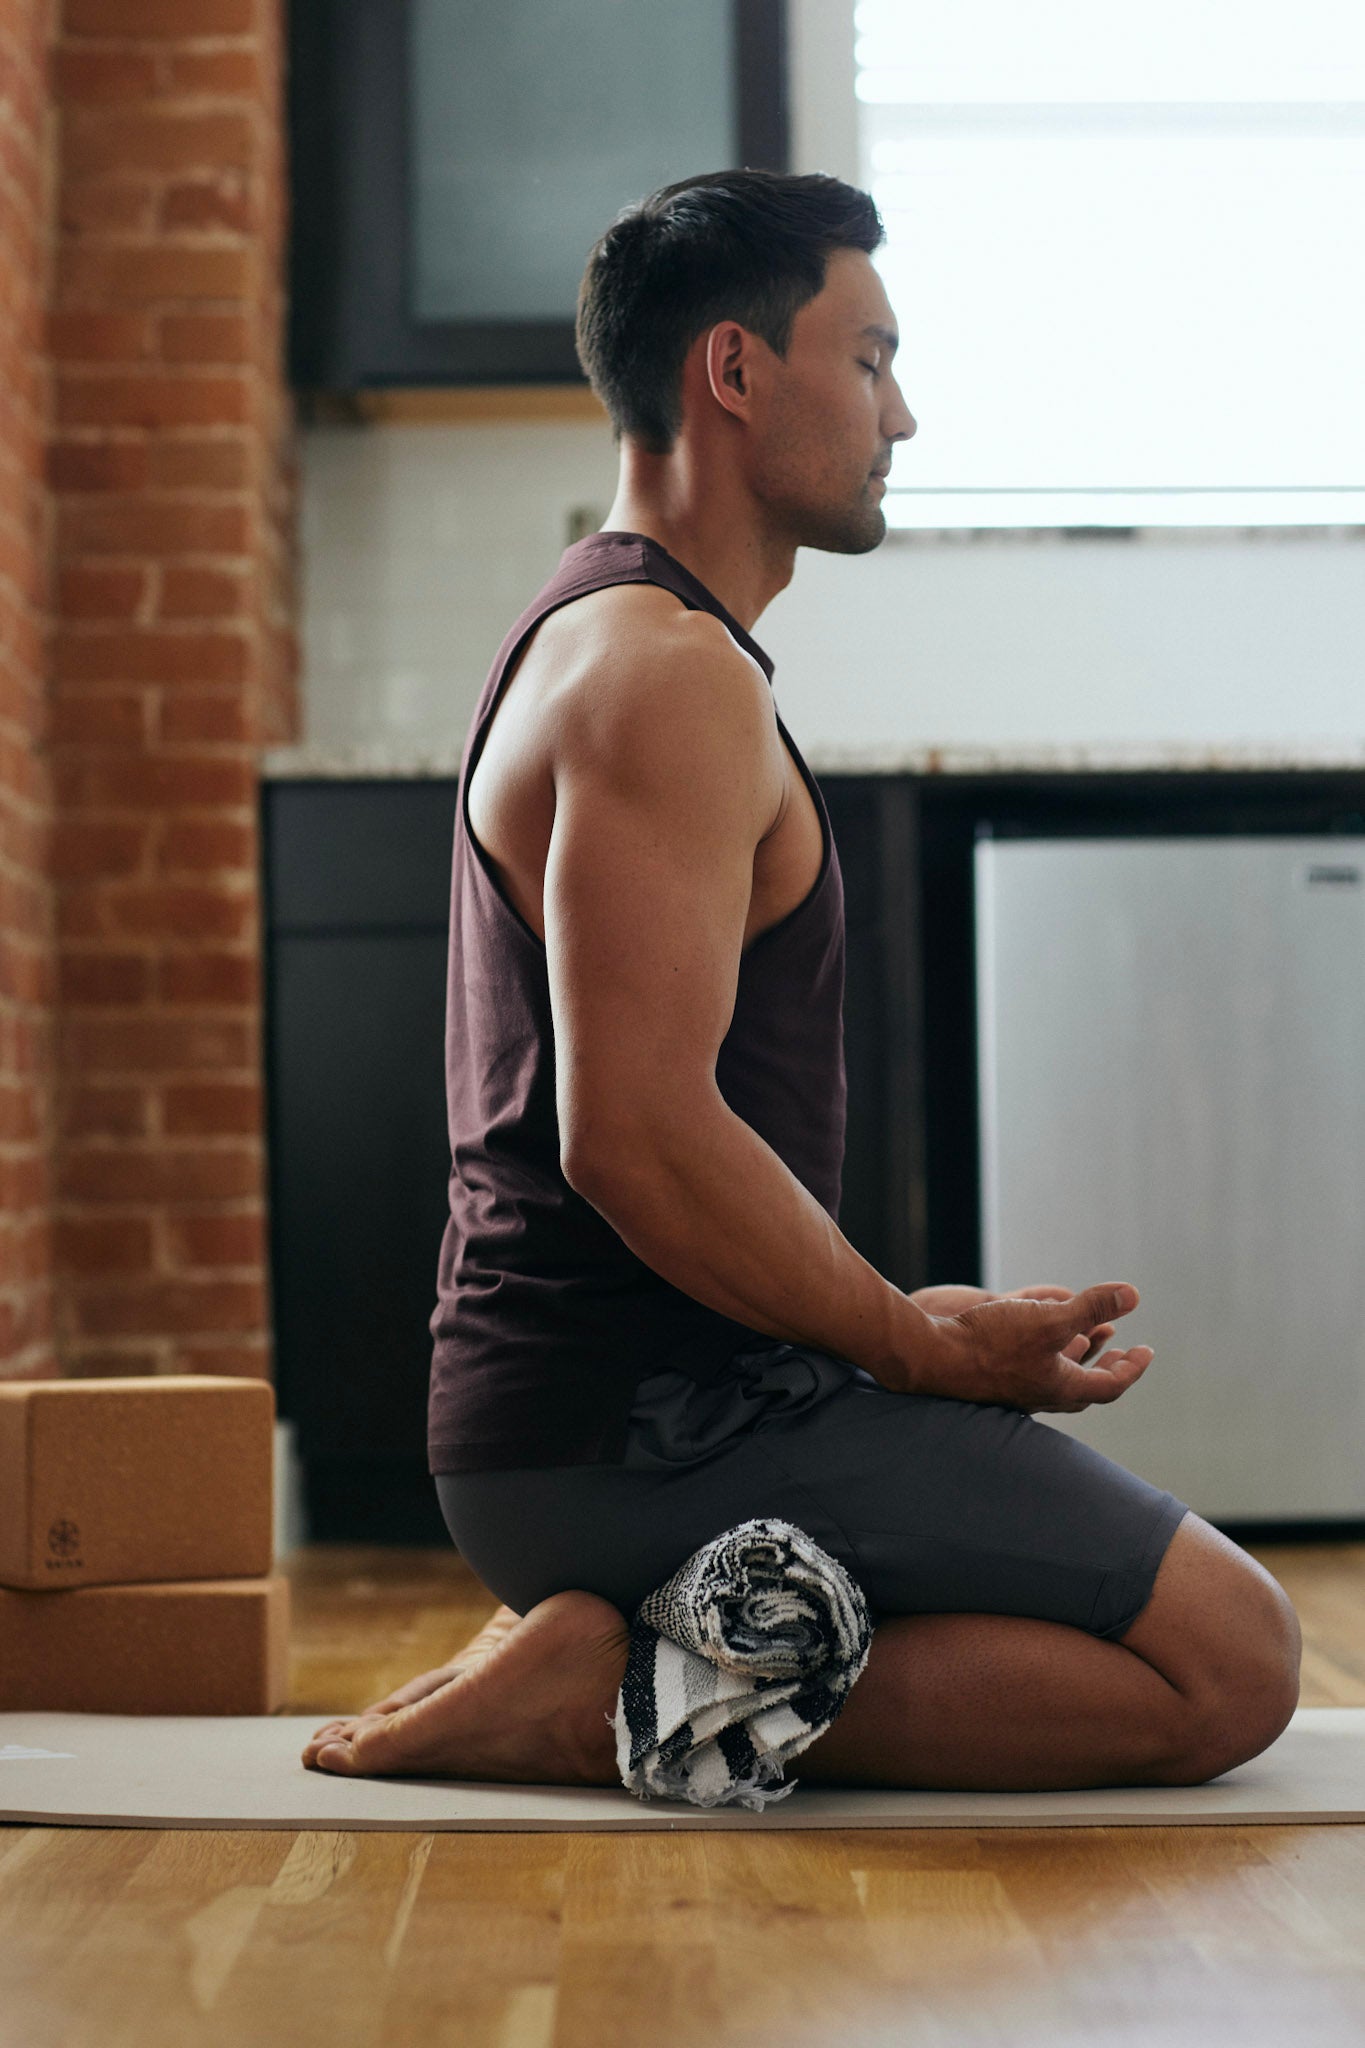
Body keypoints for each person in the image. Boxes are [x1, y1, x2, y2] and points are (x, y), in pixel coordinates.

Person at [302, 169, 1300, 1792]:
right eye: (870, 356)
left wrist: (883, 1327)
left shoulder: (619, 643)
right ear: (736, 371)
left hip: (628, 1416)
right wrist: (910, 1355)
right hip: (640, 1435)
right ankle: (608, 1693)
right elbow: (630, 1136)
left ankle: (628, 1649)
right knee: (1230, 1667)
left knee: (1198, 1644)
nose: (900, 413)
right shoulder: (662, 676)